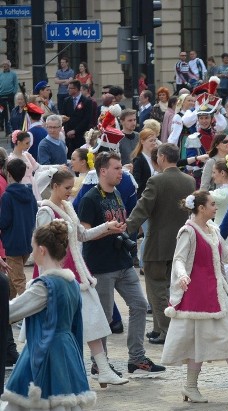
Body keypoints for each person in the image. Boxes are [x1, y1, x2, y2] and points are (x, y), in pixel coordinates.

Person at [0, 221, 97, 411]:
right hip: (61, 356)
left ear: (41, 250)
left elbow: (11, 313)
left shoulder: (45, 286)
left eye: (32, 247)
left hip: (43, 361)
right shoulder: (68, 282)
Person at [161, 190, 228, 402]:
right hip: (198, 297)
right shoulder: (188, 231)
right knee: (196, 342)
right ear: (201, 208)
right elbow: (179, 260)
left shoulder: (212, 229)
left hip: (218, 293)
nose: (216, 207)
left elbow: (227, 256)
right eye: (212, 204)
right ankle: (191, 387)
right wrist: (182, 276)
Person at [34, 168, 127, 387]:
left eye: (71, 187)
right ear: (54, 186)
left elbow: (82, 236)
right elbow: (42, 246)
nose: (70, 192)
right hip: (59, 275)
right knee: (56, 327)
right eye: (67, 188)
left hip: (76, 272)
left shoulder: (66, 206)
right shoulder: (46, 210)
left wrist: (107, 227)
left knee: (93, 319)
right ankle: (53, 373)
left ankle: (101, 369)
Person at [78, 152, 165, 377]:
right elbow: (83, 234)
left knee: (138, 305)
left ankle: (136, 358)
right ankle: (100, 363)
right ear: (103, 171)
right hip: (101, 266)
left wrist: (121, 230)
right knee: (104, 318)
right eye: (117, 168)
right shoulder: (89, 199)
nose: (121, 173)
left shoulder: (116, 193)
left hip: (123, 262)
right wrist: (107, 229)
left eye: (121, 168)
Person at [124, 143, 196, 345]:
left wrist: (127, 227)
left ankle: (165, 330)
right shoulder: (189, 181)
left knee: (157, 288)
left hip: (157, 242)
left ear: (163, 157)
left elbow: (143, 207)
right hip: (181, 242)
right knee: (174, 287)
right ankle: (158, 328)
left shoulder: (156, 180)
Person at [0, 158, 37, 299]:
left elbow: (4, 221)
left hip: (12, 243)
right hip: (27, 240)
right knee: (13, 278)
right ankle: (8, 308)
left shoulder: (7, 196)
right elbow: (35, 213)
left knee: (18, 280)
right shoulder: (30, 193)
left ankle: (29, 313)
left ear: (8, 174)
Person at [0, 60, 18, 134]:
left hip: (10, 95)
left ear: (9, 66)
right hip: (1, 95)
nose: (4, 66)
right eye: (3, 65)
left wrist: (14, 92)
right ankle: (2, 126)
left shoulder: (13, 74)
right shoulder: (0, 74)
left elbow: (15, 84)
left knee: (11, 112)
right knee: (1, 112)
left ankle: (10, 128)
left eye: (6, 65)